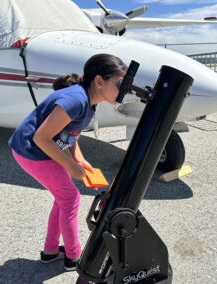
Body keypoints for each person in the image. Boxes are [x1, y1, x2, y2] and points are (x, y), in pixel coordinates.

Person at [8, 53, 127, 271]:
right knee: (70, 199)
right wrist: (72, 167)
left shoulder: (89, 101)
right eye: (119, 83)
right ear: (99, 81)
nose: (123, 89)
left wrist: (78, 158)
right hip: (32, 151)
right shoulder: (76, 100)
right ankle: (73, 257)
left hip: (42, 149)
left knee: (63, 199)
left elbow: (70, 133)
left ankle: (50, 251)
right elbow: (41, 138)